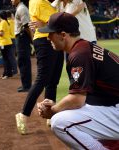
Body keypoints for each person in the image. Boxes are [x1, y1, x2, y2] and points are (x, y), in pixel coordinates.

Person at [37, 12, 119, 150]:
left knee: (60, 122)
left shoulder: (79, 55)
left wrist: (53, 110)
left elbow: (77, 100)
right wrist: (58, 106)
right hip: (113, 105)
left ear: (63, 35)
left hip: (115, 110)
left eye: (51, 33)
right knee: (71, 117)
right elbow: (82, 97)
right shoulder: (85, 47)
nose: (47, 37)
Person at [14, 0, 64, 135]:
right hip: (44, 41)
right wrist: (50, 24)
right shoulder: (38, 1)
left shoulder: (49, 3)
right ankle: (23, 115)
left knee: (53, 81)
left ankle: (50, 114)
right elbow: (59, 22)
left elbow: (56, 23)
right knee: (42, 79)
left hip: (56, 40)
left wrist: (50, 24)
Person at [10, 0, 32, 92]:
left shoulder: (22, 8)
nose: (11, 0)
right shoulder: (20, 8)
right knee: (23, 61)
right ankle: (26, 85)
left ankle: (27, 86)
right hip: (22, 37)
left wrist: (32, 38)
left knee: (23, 61)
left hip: (22, 37)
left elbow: (26, 25)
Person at [0, 10, 13, 79]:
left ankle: (6, 74)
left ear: (0, 16)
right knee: (7, 58)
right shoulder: (6, 22)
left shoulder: (3, 22)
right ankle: (7, 73)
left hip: (4, 43)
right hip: (7, 42)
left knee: (5, 59)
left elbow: (1, 34)